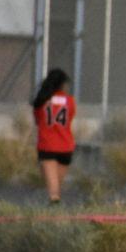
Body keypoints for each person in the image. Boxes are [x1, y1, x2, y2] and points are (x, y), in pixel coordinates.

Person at [32, 68, 76, 204]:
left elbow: (37, 121)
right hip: (66, 146)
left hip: (47, 145)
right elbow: (70, 118)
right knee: (57, 185)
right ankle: (54, 208)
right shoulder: (69, 101)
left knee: (53, 189)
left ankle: (53, 207)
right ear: (62, 84)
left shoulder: (42, 100)